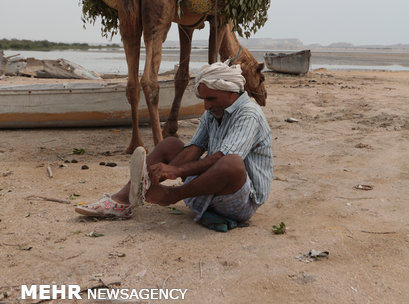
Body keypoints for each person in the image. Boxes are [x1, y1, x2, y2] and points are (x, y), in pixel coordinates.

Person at [75, 61, 273, 224]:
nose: (206, 105)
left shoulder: (249, 114)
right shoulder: (212, 112)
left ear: (231, 93)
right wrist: (165, 170)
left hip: (237, 202)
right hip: (205, 191)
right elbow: (195, 148)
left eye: (211, 98)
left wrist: (176, 172)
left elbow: (221, 158)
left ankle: (172, 195)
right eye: (204, 99)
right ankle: (123, 200)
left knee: (232, 162)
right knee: (170, 144)